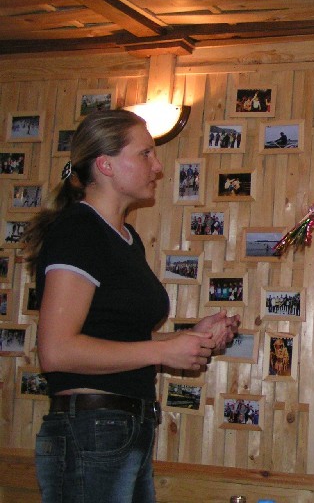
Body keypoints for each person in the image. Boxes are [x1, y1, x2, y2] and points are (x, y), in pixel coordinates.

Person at [23, 110, 240, 503]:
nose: (157, 167)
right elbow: (57, 351)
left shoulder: (127, 238)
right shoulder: (79, 230)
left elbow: (117, 337)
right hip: (92, 428)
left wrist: (188, 339)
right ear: (105, 165)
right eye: (145, 154)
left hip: (123, 428)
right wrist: (163, 351)